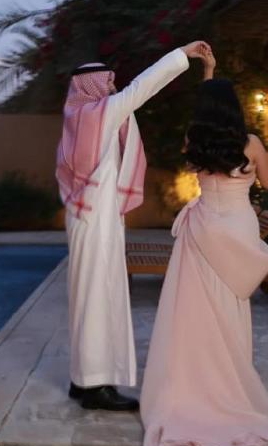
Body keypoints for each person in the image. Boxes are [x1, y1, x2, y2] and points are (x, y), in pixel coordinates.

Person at [140, 47, 268, 446]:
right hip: (236, 229)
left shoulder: (195, 139)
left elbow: (206, 113)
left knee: (195, 310)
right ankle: (229, 387)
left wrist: (209, 72)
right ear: (234, 108)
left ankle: (192, 387)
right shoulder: (250, 143)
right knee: (229, 305)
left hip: (203, 230)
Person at [56, 41, 212, 411]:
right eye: (106, 82)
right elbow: (143, 87)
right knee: (99, 294)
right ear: (92, 85)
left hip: (87, 216)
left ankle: (81, 378)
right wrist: (183, 54)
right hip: (95, 218)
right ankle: (96, 387)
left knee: (88, 293)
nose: (112, 88)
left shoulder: (77, 118)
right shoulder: (100, 114)